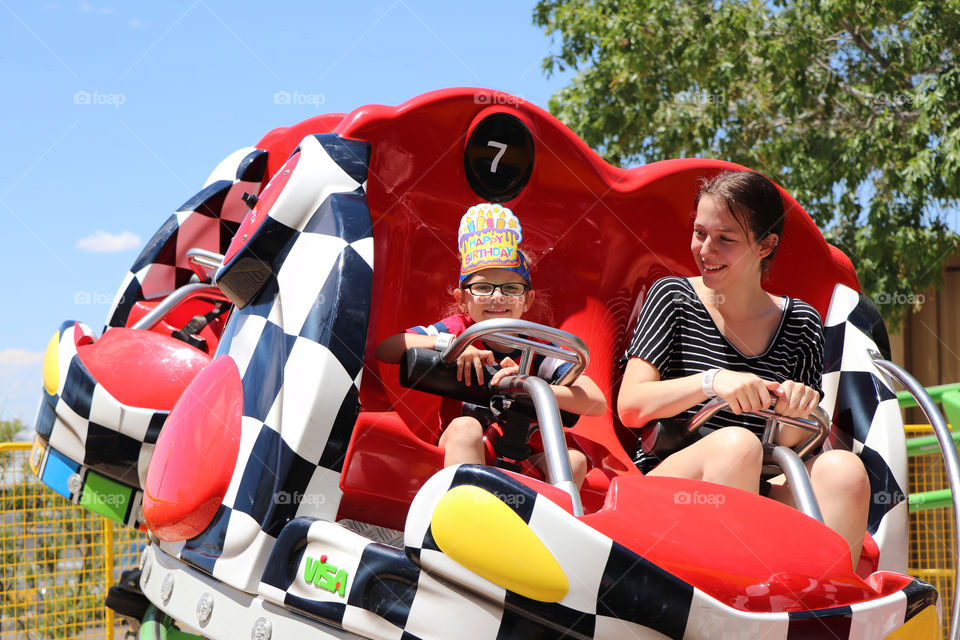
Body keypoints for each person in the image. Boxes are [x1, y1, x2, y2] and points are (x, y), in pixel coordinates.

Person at [617, 170, 870, 568]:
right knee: (737, 446)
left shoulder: (801, 323)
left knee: (844, 470)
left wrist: (797, 409)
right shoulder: (672, 296)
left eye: (725, 239)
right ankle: (731, 594)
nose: (706, 249)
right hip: (668, 488)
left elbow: (787, 444)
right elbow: (631, 406)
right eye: (700, 233)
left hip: (756, 486)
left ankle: (826, 612)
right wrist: (711, 382)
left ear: (766, 245)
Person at [376, 203, 607, 487]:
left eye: (511, 288)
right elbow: (388, 348)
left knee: (574, 460)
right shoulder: (458, 330)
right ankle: (465, 517)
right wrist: (452, 345)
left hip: (522, 452)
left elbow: (597, 402)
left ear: (527, 300)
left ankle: (536, 527)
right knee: (466, 428)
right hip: (466, 446)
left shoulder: (538, 347)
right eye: (483, 288)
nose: (497, 297)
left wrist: (530, 383)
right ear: (462, 299)